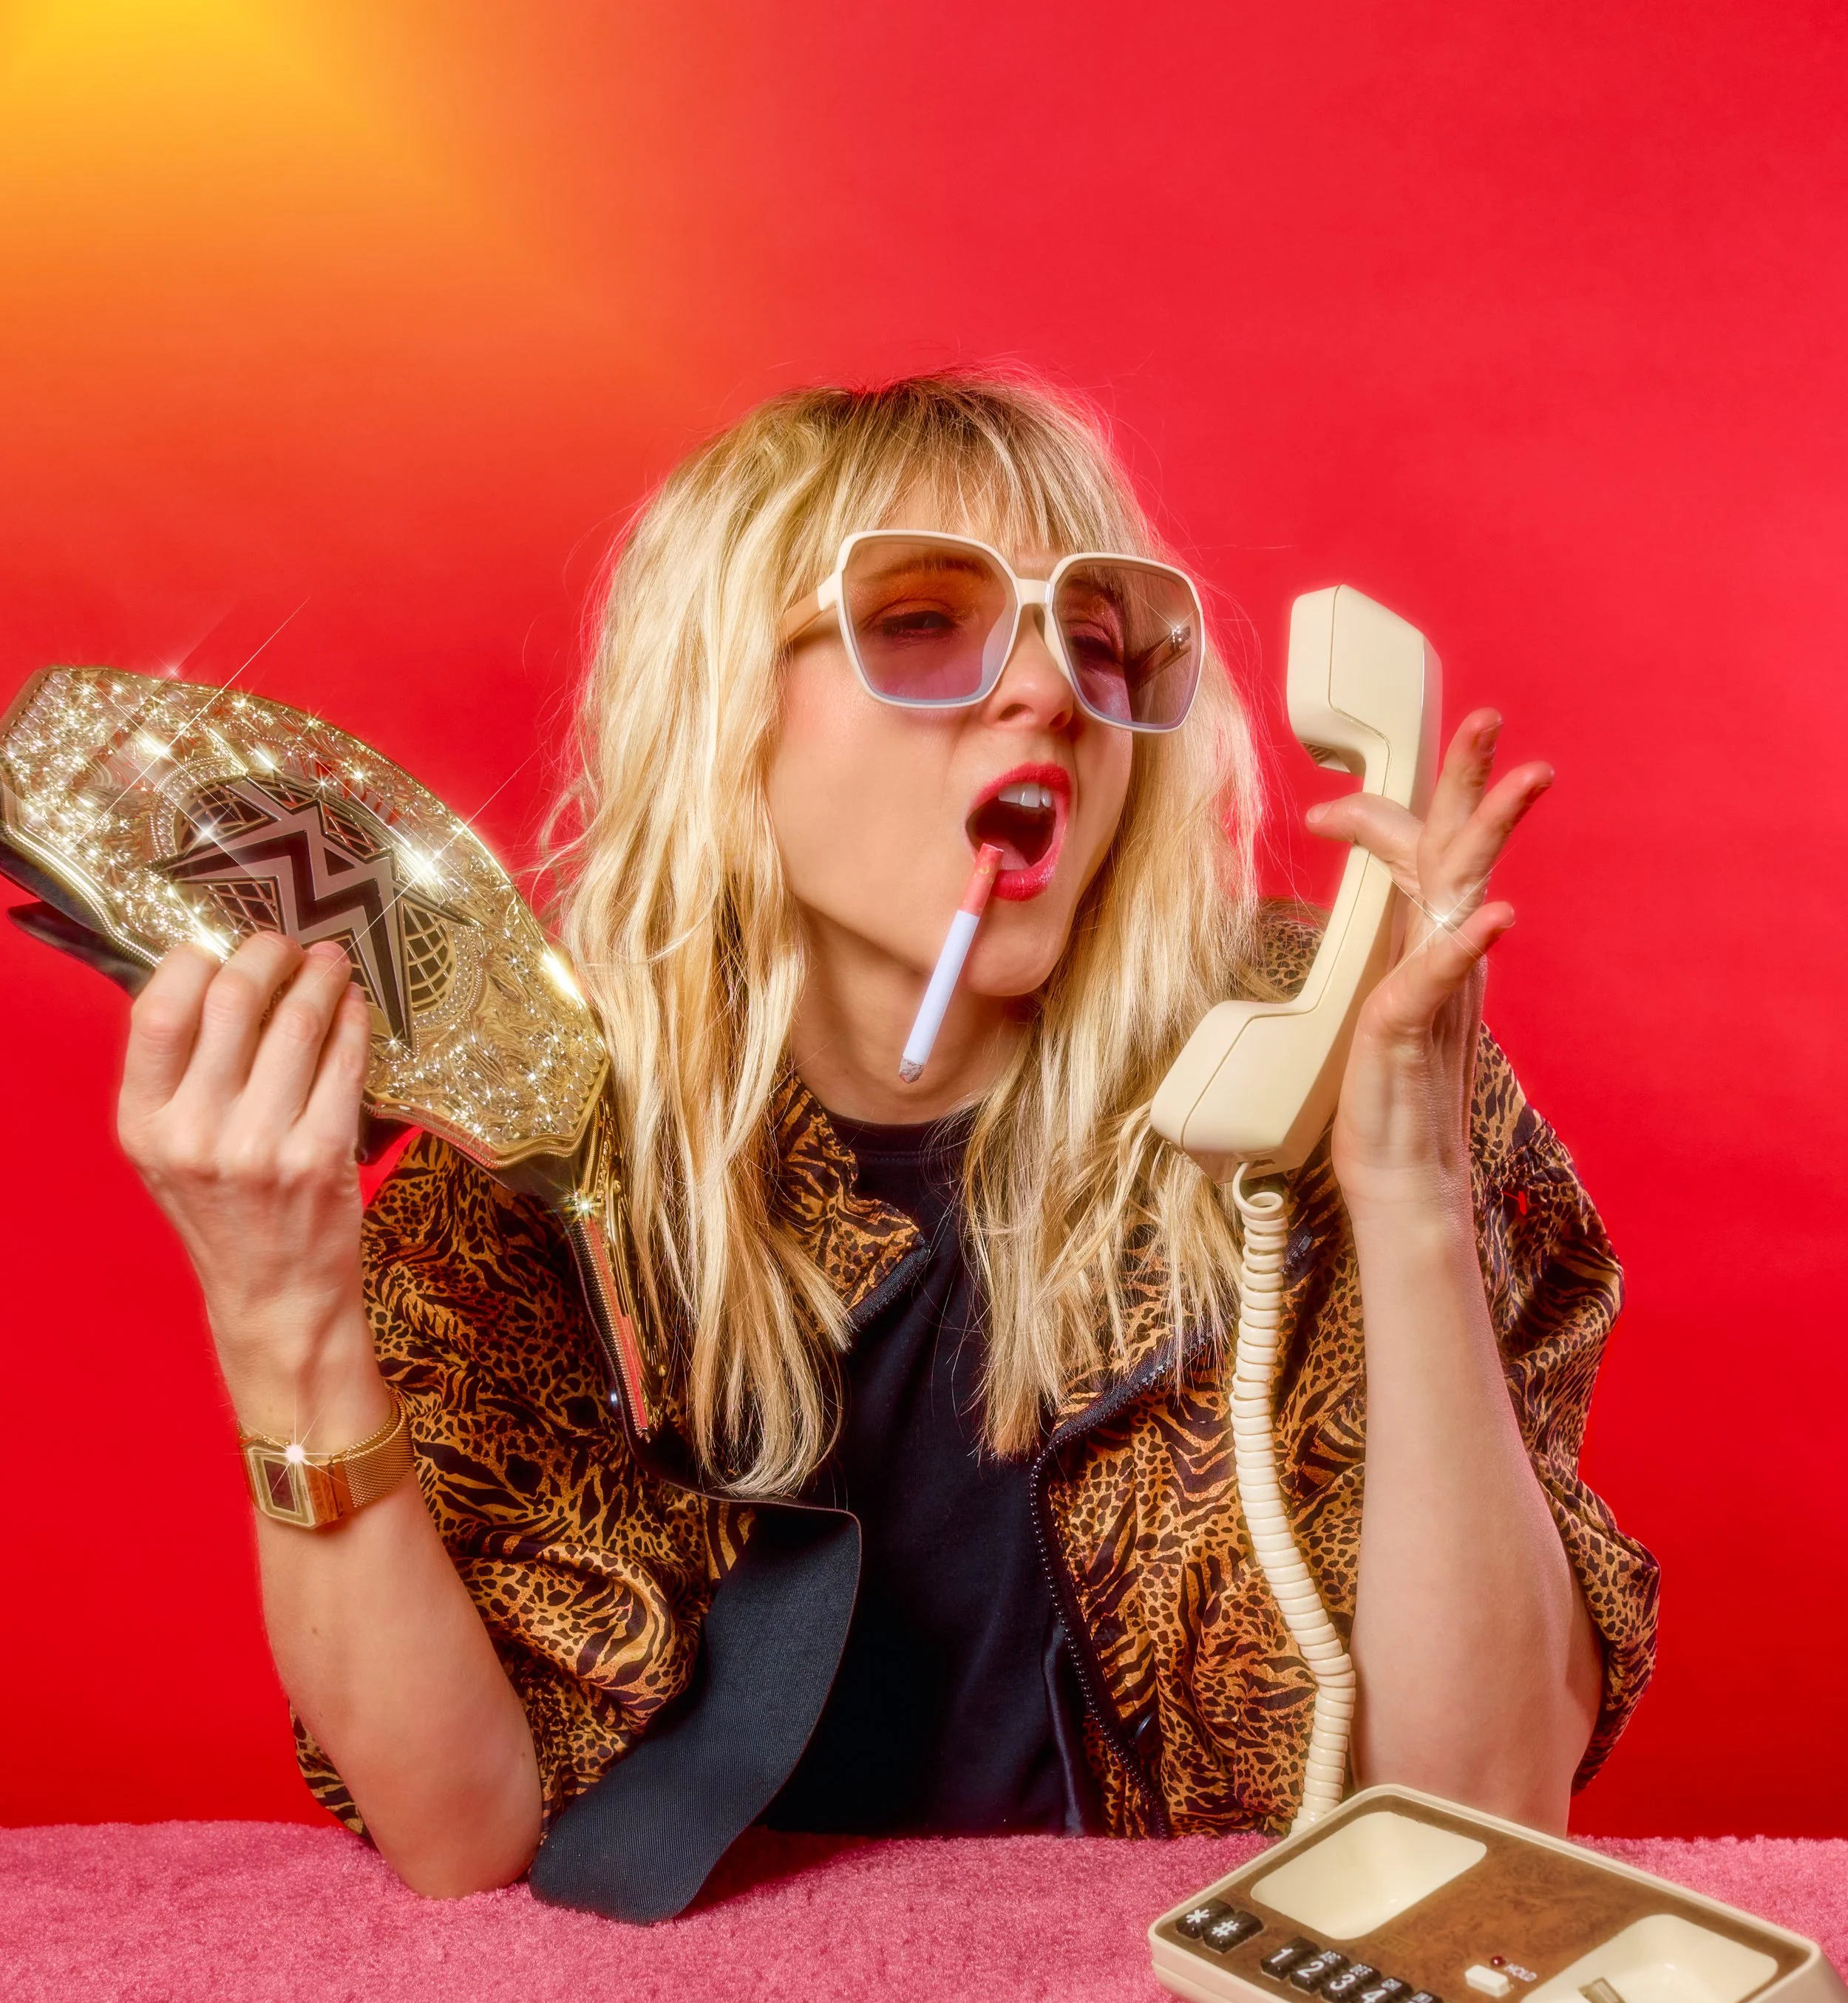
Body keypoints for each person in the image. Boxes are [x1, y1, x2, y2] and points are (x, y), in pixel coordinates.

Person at [114, 374, 1657, 1900]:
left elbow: (1477, 1816)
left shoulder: (1316, 1078)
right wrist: (282, 1318)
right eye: (923, 623)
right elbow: (466, 1833)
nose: (1047, 687)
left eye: (1101, 639)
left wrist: (1407, 1189)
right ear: (719, 705)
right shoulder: (541, 1152)